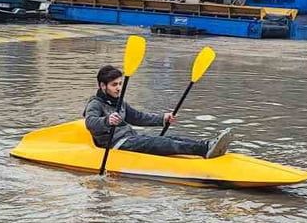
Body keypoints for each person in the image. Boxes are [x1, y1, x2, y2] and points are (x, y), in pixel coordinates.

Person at [83, 65, 235, 158]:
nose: (118, 88)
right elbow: (90, 122)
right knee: (161, 142)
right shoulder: (95, 103)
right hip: (115, 144)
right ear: (103, 86)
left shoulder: (119, 101)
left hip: (130, 138)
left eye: (120, 84)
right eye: (114, 84)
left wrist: (163, 118)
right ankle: (205, 149)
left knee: (172, 137)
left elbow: (138, 117)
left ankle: (207, 144)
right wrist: (107, 120)